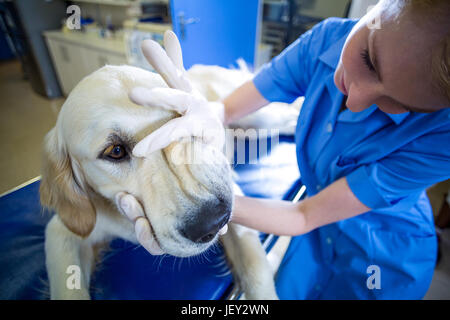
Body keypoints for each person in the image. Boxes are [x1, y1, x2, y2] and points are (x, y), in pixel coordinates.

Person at [121, 0, 450, 299]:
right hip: (316, 240)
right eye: (368, 60)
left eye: (399, 105)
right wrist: (211, 112)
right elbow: (227, 108)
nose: (356, 100)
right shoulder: (325, 40)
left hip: (383, 254)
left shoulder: (443, 138)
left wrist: (198, 207)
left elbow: (304, 216)